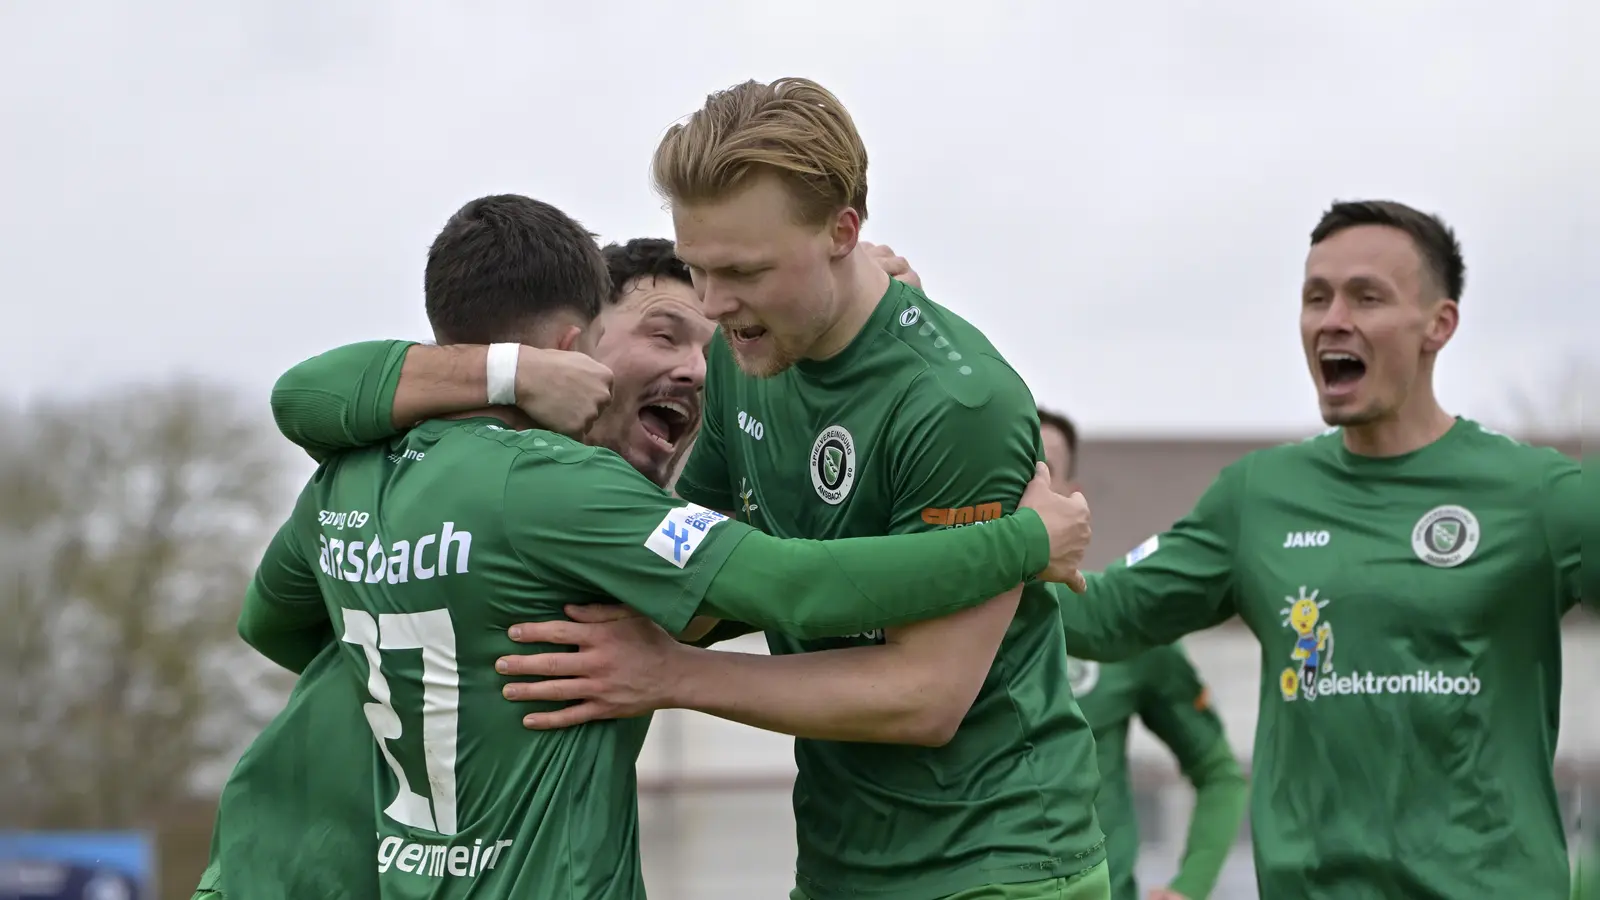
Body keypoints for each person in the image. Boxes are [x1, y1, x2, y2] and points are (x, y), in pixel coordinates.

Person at [266, 79, 1112, 900]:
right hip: (840, 859)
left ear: (843, 231)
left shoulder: (956, 402)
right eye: (698, 269)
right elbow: (708, 584)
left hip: (1000, 863)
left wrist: (669, 674)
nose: (715, 304)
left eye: (743, 271)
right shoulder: (744, 353)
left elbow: (924, 698)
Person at [1055, 200, 1588, 898]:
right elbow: (1103, 616)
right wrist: (1003, 542)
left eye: (1367, 297)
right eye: (1316, 297)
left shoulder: (1538, 496)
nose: (1332, 319)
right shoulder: (1259, 497)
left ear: (1439, 324)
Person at [1038, 407, 1247, 900]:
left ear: (1072, 495)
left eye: (1044, 470)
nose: (1026, 487)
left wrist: (1190, 885)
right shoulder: (933, 621)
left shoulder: (1118, 627)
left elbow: (1219, 774)